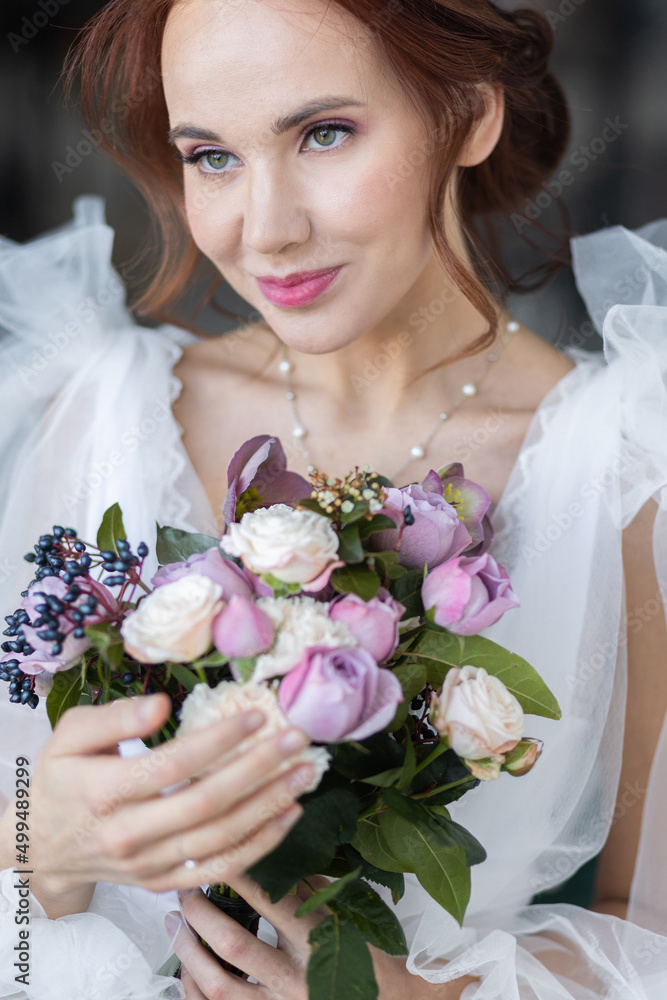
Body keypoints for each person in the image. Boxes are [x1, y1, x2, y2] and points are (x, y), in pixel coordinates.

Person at [1, 0, 667, 997]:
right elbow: (18, 847)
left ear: (471, 112)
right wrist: (33, 847)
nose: (266, 229)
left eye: (323, 133)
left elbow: (648, 925)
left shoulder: (625, 470)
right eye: (211, 156)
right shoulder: (95, 420)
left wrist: (433, 997)